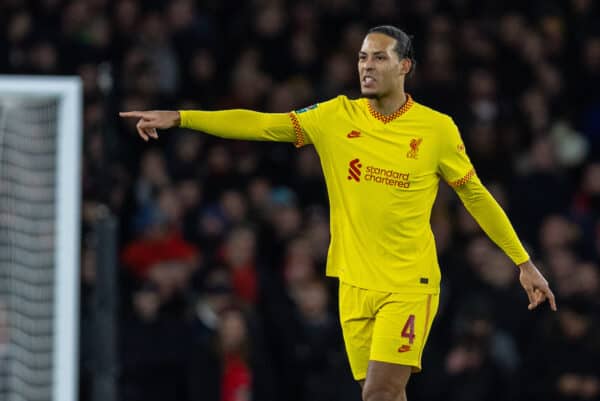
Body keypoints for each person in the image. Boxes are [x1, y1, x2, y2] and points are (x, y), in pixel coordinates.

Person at [120, 25, 557, 401]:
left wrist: (523, 262)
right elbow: (261, 124)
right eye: (362, 57)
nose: (366, 66)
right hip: (352, 282)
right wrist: (181, 117)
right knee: (388, 393)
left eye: (379, 58)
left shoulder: (436, 129)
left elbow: (476, 196)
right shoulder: (335, 117)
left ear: (405, 66)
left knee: (379, 393)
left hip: (408, 283)